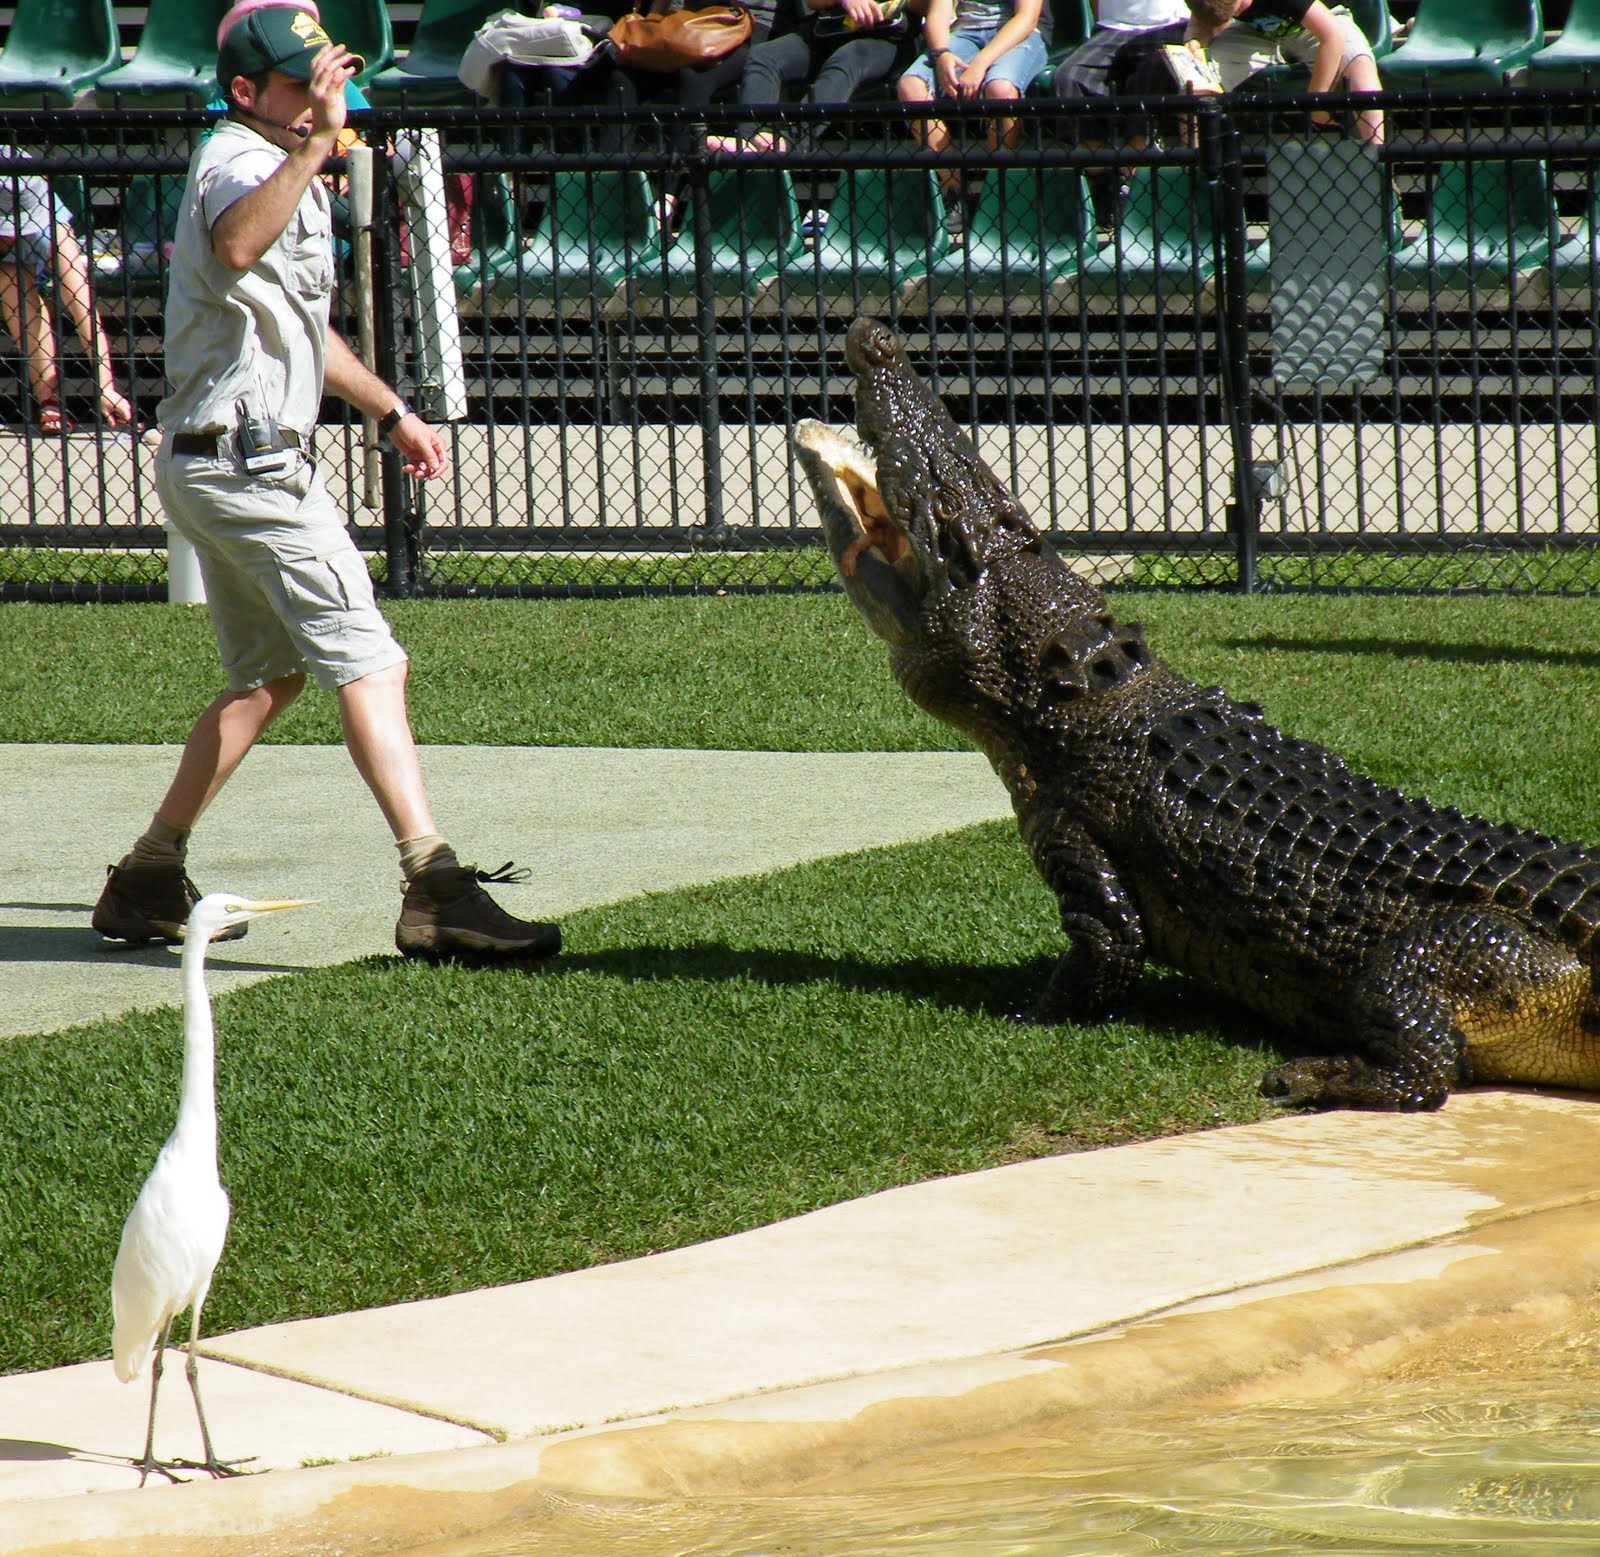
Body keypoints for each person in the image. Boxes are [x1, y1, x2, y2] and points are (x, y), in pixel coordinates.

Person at [92, 7, 561, 963]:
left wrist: (390, 410)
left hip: (225, 461)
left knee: (267, 680)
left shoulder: (273, 160)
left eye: (324, 78)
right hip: (248, 463)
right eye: (301, 84)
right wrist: (316, 149)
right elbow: (233, 245)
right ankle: (434, 887)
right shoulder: (237, 158)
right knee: (371, 661)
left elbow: (301, 329)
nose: (321, 96)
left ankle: (147, 874)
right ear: (246, 94)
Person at [896, 0, 1049, 242]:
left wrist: (980, 64)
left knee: (999, 90)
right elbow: (939, 12)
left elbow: (1026, 18)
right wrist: (941, 53)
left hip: (1018, 35)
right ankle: (959, 192)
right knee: (911, 87)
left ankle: (1001, 194)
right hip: (964, 33)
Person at [0, 174, 134, 433]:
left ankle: (54, 401)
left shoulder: (52, 228)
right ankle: (49, 400)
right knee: (8, 278)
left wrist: (105, 386)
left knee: (18, 279)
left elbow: (81, 305)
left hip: (33, 248)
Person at [1049, 0, 1189, 219]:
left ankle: (1136, 180)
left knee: (1152, 69)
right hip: (1112, 29)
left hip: (1169, 25)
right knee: (1068, 77)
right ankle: (1102, 182)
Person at [1179, 0, 1385, 144]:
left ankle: (1380, 162)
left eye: (1238, 7)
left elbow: (1332, 36)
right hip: (1259, 32)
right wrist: (1194, 41)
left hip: (1319, 23)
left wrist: (1316, 100)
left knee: (1358, 64)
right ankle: (1197, 168)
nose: (1237, 13)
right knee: (1193, 77)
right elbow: (1199, 23)